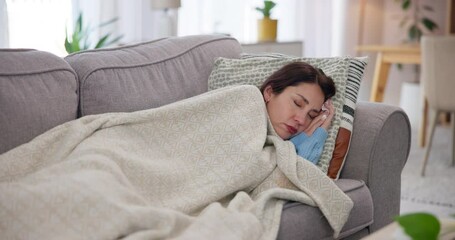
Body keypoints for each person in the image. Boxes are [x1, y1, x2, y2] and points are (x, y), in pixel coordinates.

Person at [260, 61, 336, 164]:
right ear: (269, 92)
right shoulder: (246, 100)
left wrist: (309, 138)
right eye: (297, 103)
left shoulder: (281, 149)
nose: (301, 120)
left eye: (311, 115)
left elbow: (295, 176)